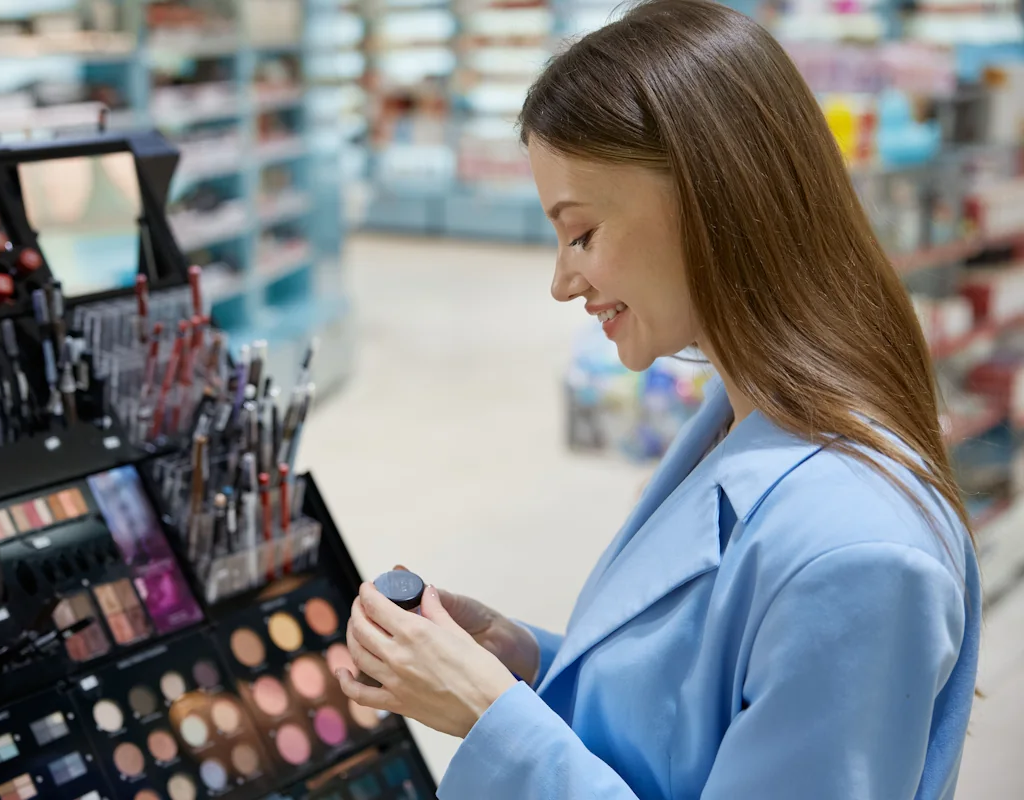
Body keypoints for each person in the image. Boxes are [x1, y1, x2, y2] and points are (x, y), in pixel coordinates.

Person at [333, 1, 982, 798]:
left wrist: (489, 715)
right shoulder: (742, 418)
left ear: (709, 199)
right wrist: (527, 660)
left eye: (581, 234)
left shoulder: (858, 553)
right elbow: (699, 719)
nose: (562, 280)